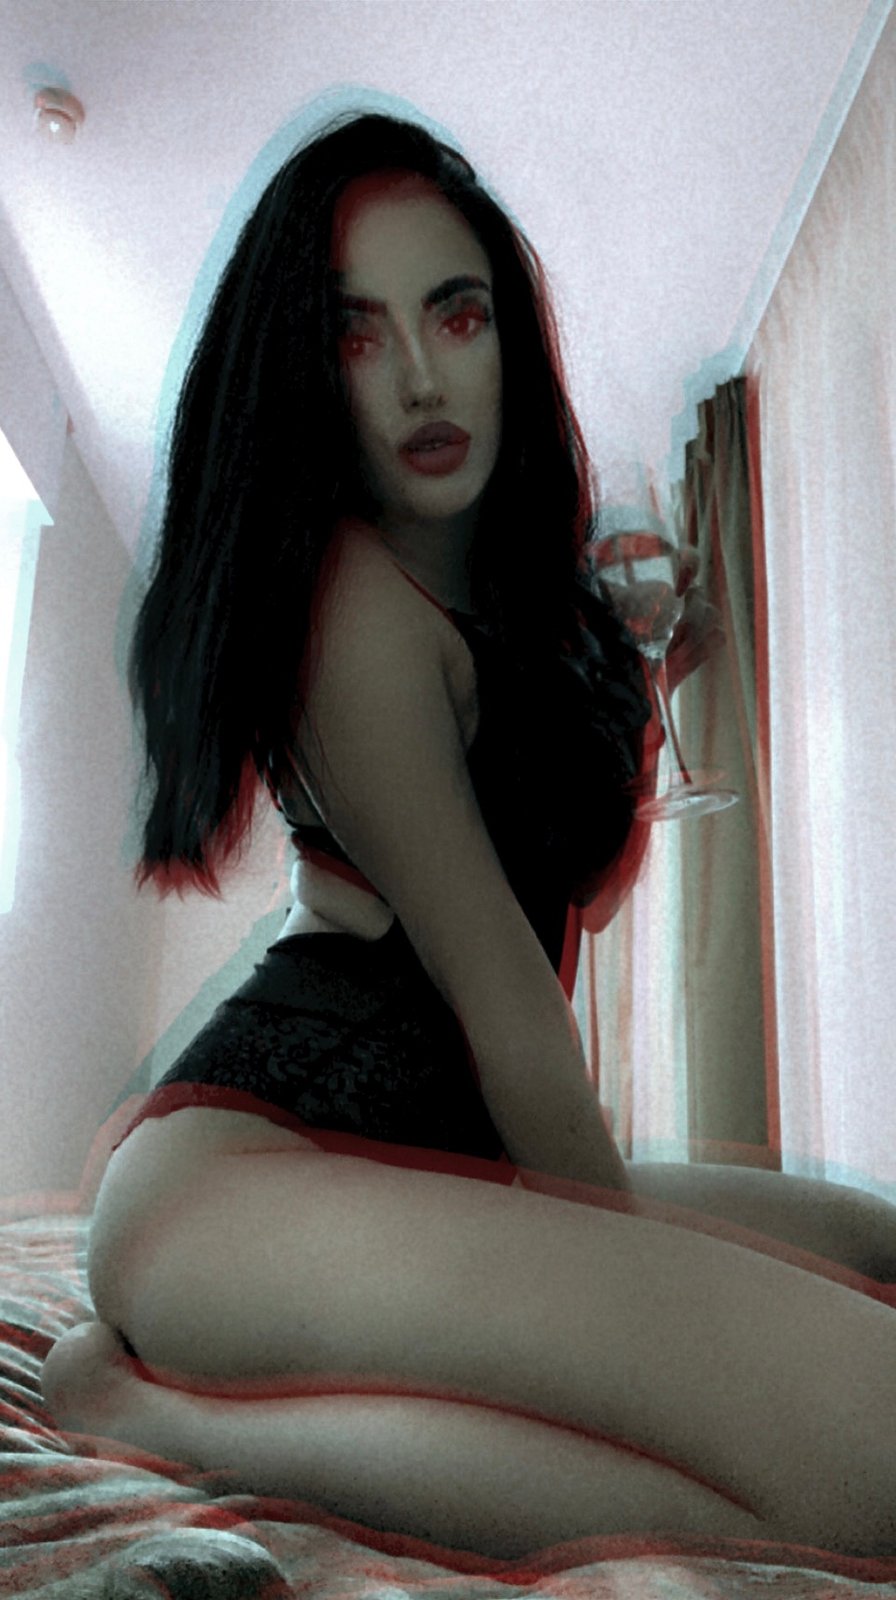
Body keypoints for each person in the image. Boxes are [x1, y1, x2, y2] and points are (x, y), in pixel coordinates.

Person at [42, 111, 896, 1563]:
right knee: (873, 1446)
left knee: (876, 1251)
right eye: (356, 332)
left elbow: (566, 858)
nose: (424, 379)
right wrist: (640, 1294)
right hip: (234, 1194)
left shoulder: (507, 607)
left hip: (424, 1159)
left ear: (507, 335)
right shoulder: (349, 610)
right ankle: (149, 1416)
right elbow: (511, 1006)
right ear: (305, 370)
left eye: (455, 313)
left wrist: (636, 653)